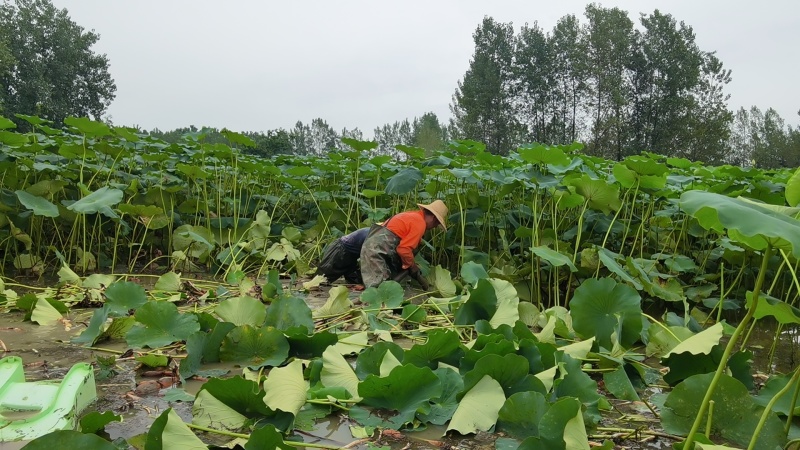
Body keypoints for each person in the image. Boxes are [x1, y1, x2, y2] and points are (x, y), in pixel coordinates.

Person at [360, 200, 448, 289]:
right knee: (380, 293)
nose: (435, 227)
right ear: (433, 218)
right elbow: (403, 249)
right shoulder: (419, 222)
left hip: (373, 250)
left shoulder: (410, 216)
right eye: (437, 223)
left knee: (381, 289)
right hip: (377, 253)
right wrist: (412, 265)